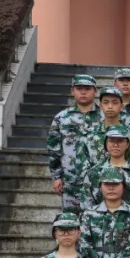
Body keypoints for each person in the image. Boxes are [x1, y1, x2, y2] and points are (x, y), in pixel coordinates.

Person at [47, 74, 101, 211]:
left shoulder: (104, 117)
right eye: (79, 88)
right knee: (71, 219)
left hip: (98, 180)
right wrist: (56, 177)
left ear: (95, 91)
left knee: (97, 219)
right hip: (71, 179)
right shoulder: (61, 118)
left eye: (87, 89)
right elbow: (54, 149)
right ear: (72, 91)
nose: (83, 92)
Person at [82, 125, 130, 213]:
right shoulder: (94, 172)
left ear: (127, 144)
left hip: (128, 219)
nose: (115, 145)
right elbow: (87, 204)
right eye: (111, 141)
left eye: (120, 141)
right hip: (98, 219)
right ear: (106, 144)